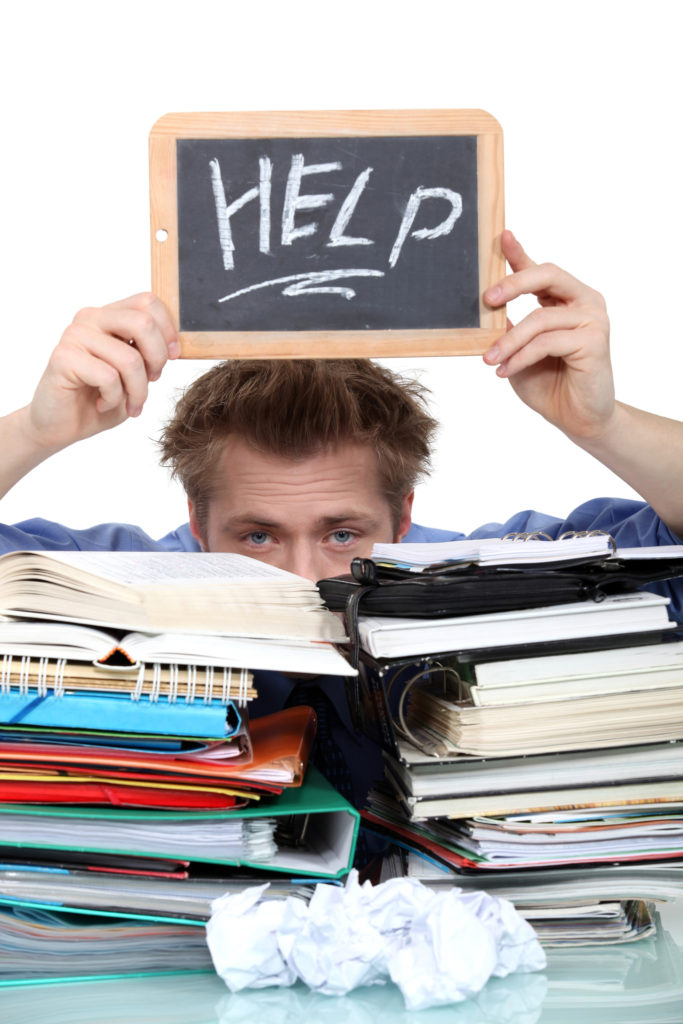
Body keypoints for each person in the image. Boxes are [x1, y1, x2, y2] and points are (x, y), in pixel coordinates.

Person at [2, 230, 683, 807]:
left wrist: (605, 425)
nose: (303, 577)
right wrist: (35, 432)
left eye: (341, 534)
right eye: (258, 536)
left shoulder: (484, 583)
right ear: (196, 524)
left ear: (403, 516)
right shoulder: (110, 586)